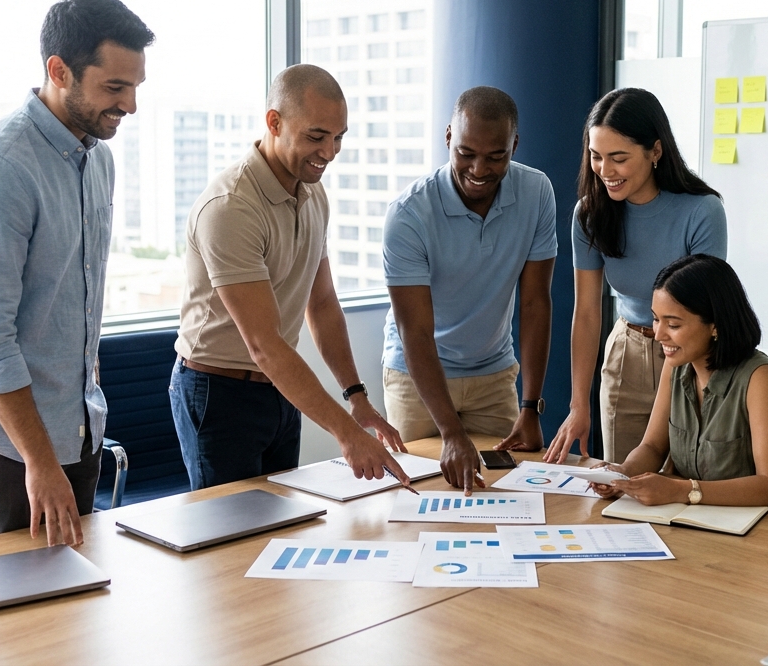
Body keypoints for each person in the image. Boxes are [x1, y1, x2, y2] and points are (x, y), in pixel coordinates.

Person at [0, 0, 154, 544]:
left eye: (135, 88)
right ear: (59, 71)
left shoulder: (97, 157)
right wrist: (41, 462)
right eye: (114, 88)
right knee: (11, 620)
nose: (130, 105)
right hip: (2, 444)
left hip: (76, 427)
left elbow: (76, 297)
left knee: (75, 606)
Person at [171, 64, 408, 491]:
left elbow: (322, 303)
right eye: (317, 136)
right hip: (218, 391)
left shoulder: (314, 192)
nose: (330, 151)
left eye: (339, 137)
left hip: (278, 390)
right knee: (232, 537)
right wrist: (346, 435)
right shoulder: (231, 207)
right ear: (274, 122)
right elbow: (263, 345)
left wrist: (357, 397)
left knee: (280, 523)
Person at [382, 86, 556, 494]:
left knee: (505, 496)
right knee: (421, 500)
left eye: (497, 156)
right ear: (448, 139)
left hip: (493, 376)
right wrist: (450, 432)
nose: (480, 168)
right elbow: (415, 333)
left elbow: (535, 303)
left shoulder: (536, 192)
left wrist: (531, 406)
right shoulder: (408, 215)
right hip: (417, 379)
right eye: (466, 153)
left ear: (514, 144)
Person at [545, 88, 726, 464]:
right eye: (596, 157)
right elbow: (587, 312)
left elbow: (706, 312)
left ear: (655, 152)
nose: (605, 171)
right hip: (626, 354)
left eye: (619, 158)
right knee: (621, 482)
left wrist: (672, 363)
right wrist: (579, 405)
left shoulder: (703, 212)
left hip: (688, 356)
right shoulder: (590, 215)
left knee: (681, 484)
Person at [587, 254, 768, 507]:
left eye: (673, 325)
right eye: (656, 319)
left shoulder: (760, 377)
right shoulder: (675, 365)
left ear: (715, 325)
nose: (659, 335)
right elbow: (653, 446)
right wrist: (622, 474)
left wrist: (680, 490)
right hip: (695, 518)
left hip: (761, 526)